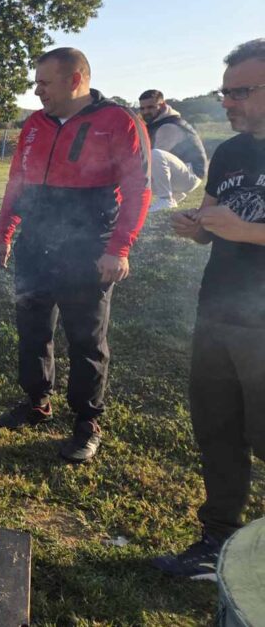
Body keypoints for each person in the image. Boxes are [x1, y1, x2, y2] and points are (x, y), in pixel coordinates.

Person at [0, 47, 151, 463]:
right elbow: (16, 182)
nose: (37, 89)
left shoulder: (118, 121)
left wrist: (119, 248)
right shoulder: (34, 124)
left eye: (44, 82)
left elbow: (138, 189)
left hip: (87, 247)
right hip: (35, 243)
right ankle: (37, 401)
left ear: (75, 79)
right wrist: (3, 233)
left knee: (86, 339)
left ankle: (86, 420)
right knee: (32, 330)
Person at [153, 39, 265, 579]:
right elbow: (216, 225)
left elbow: (242, 227)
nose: (228, 102)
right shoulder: (229, 152)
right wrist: (197, 230)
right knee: (218, 432)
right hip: (218, 312)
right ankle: (217, 540)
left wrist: (244, 230)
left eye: (242, 91)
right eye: (226, 92)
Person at [138, 89, 207, 211]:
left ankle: (166, 199)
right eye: (142, 109)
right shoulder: (156, 124)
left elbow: (153, 160)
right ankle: (175, 195)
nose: (146, 112)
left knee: (154, 155)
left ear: (163, 105)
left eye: (151, 107)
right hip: (181, 174)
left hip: (191, 176)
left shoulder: (169, 126)